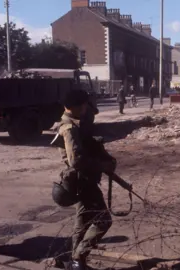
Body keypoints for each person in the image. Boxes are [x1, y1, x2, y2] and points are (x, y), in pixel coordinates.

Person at [55, 90, 115, 270]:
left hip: (81, 181)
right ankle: (78, 256)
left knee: (82, 223)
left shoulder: (73, 124)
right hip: (84, 181)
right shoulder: (69, 128)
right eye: (82, 104)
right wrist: (101, 165)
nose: (85, 108)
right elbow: (76, 160)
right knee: (103, 221)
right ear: (73, 106)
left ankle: (76, 264)